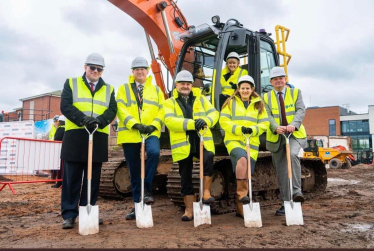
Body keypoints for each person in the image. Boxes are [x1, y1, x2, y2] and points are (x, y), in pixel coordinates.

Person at [60, 53, 117, 229]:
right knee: (72, 178)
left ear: (102, 71)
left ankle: (88, 209)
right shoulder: (71, 83)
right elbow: (65, 105)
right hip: (76, 135)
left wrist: (99, 121)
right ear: (85, 67)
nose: (95, 71)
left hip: (98, 136)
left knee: (93, 178)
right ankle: (69, 214)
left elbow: (112, 109)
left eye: (99, 69)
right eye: (92, 67)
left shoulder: (109, 88)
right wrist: (82, 119)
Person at [164, 70, 219, 221]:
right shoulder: (169, 103)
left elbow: (214, 113)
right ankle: (189, 209)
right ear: (176, 85)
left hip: (202, 140)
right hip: (183, 144)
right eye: (182, 84)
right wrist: (193, 123)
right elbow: (170, 121)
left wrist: (206, 121)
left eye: (188, 84)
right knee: (185, 174)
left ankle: (206, 192)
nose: (185, 86)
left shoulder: (201, 99)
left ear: (191, 85)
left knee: (208, 158)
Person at [116, 56, 165, 221]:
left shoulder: (156, 90)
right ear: (133, 72)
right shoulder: (124, 88)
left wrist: (153, 125)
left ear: (147, 71)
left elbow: (162, 110)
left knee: (154, 153)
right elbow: (120, 108)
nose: (140, 72)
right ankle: (137, 205)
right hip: (131, 133)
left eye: (142, 69)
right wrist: (135, 124)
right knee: (134, 170)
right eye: (137, 69)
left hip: (150, 131)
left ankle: (147, 188)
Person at [219, 75, 270, 218]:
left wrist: (253, 130)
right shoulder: (230, 103)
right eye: (243, 88)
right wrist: (238, 129)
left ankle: (240, 207)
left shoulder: (259, 104)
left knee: (248, 171)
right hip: (234, 140)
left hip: (251, 142)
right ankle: (242, 196)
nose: (245, 90)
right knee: (242, 160)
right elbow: (223, 120)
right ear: (239, 89)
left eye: (248, 88)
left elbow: (265, 123)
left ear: (252, 89)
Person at [262, 66, 307, 216]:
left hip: (294, 134)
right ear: (271, 82)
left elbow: (301, 110)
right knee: (281, 171)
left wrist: (293, 125)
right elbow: (266, 115)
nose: (278, 81)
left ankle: (296, 192)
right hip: (277, 137)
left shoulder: (295, 93)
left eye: (281, 78)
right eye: (275, 79)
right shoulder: (266, 97)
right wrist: (275, 127)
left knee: (293, 154)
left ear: (285, 79)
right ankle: (286, 203)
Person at [51, 115, 66, 188]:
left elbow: (56, 139)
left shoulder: (60, 129)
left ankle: (59, 182)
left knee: (60, 168)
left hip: (60, 151)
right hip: (65, 150)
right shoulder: (67, 128)